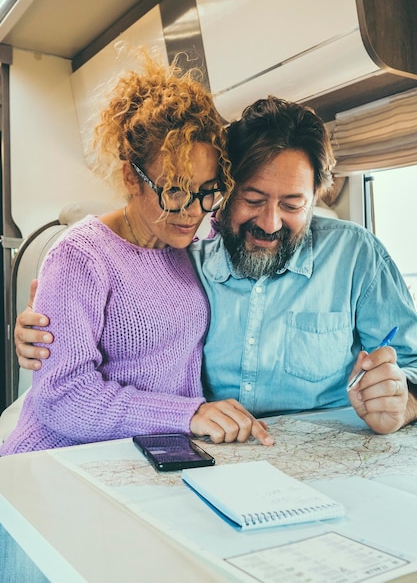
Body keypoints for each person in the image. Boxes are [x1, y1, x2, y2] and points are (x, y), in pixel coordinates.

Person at [13, 97, 417, 436]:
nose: (270, 222)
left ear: (315, 197)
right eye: (253, 199)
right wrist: (42, 327)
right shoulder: (188, 251)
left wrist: (404, 402)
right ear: (227, 191)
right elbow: (94, 355)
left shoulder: (357, 256)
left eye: (292, 205)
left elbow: (411, 362)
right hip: (207, 452)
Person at [0, 53, 274, 456]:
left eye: (206, 191)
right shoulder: (79, 256)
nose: (192, 211)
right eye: (175, 190)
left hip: (144, 454)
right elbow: (62, 398)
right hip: (55, 460)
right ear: (132, 177)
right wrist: (187, 414)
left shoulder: (189, 247)